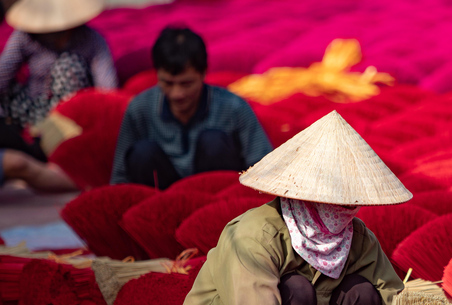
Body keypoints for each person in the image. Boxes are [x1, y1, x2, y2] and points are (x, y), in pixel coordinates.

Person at [170, 111, 412, 305]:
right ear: (306, 193)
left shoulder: (357, 239)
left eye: (352, 197)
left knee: (362, 294)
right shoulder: (253, 237)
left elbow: (395, 304)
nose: (346, 207)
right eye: (336, 197)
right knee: (297, 290)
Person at [110, 27, 272, 190]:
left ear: (203, 74)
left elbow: (263, 166)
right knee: (142, 153)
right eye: (168, 83)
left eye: (186, 83)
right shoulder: (140, 108)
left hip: (219, 195)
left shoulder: (233, 107)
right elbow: (120, 176)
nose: (177, 94)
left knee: (213, 142)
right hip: (160, 200)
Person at [0, 0, 117, 192]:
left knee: (68, 65)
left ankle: (51, 147)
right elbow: (3, 75)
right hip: (31, 111)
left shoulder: (91, 40)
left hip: (69, 119)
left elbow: (107, 90)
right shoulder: (26, 36)